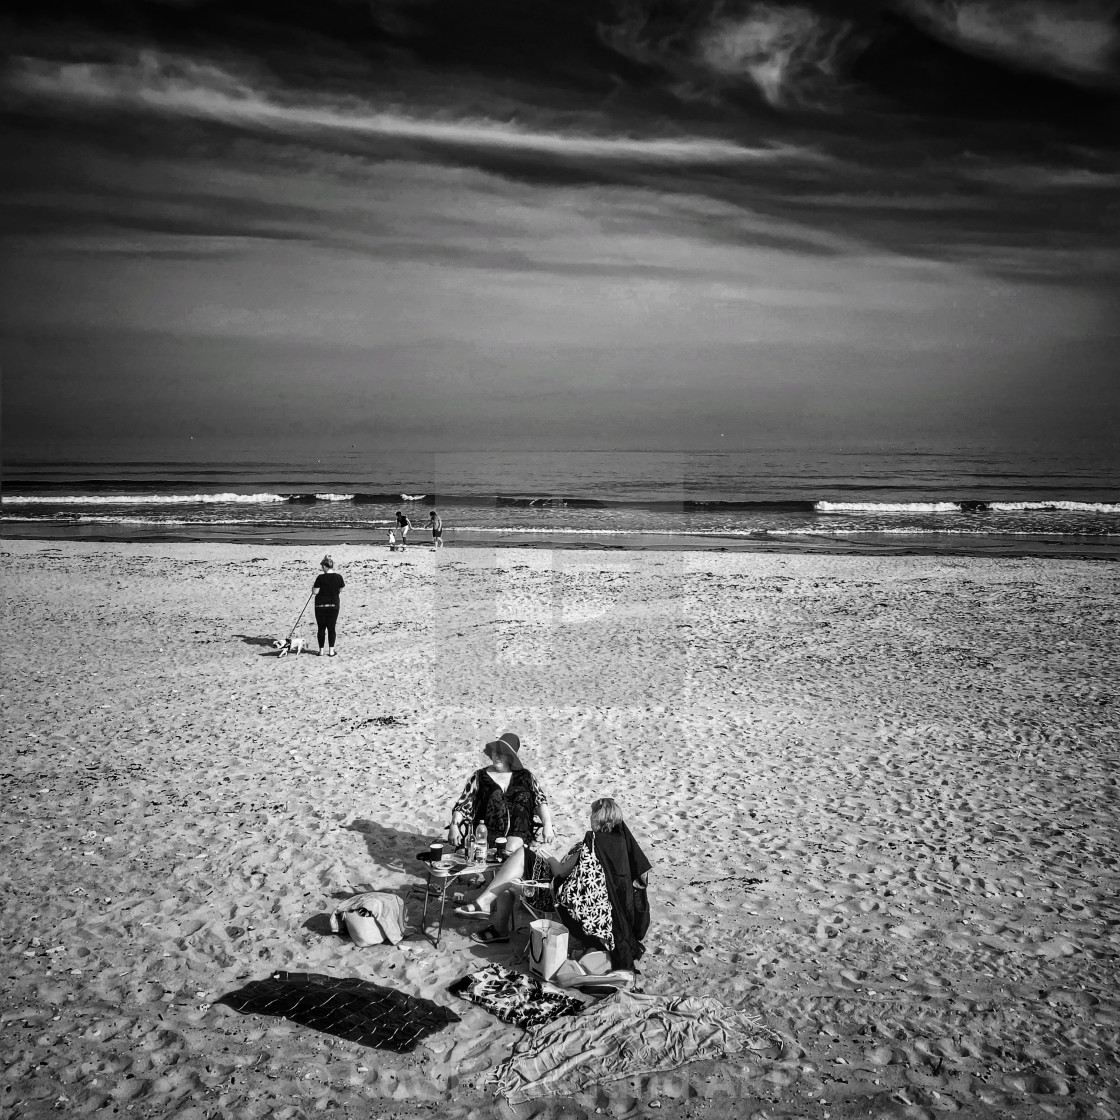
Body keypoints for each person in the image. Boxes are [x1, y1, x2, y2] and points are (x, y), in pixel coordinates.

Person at [456, 797, 651, 967]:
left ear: (599, 817)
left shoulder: (593, 844)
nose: (590, 817)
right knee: (512, 867)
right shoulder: (617, 846)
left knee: (519, 858)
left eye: (592, 813)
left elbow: (560, 871)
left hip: (553, 894)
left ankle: (485, 906)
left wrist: (547, 857)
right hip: (580, 899)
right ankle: (490, 912)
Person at [447, 732, 555, 858]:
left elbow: (540, 801)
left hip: (518, 832)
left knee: (510, 848)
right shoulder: (479, 776)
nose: (497, 756)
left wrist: (547, 825)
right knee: (469, 864)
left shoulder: (526, 777)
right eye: (495, 752)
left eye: (502, 753)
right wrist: (454, 825)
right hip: (484, 832)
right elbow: (464, 804)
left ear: (510, 756)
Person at [312, 554, 345, 657]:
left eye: (322, 566)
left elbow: (315, 592)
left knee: (321, 628)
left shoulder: (320, 578)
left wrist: (314, 589)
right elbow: (340, 589)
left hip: (320, 605)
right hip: (333, 605)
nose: (322, 568)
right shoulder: (338, 577)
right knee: (331, 628)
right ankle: (331, 651)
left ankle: (321, 651)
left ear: (325, 567)